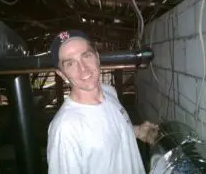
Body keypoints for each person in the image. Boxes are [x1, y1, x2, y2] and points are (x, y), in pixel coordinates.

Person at [47, 30, 159, 174]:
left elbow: (110, 130)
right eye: (70, 63)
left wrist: (137, 131)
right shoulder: (65, 129)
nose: (83, 68)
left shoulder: (109, 91)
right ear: (62, 74)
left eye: (86, 55)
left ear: (97, 58)